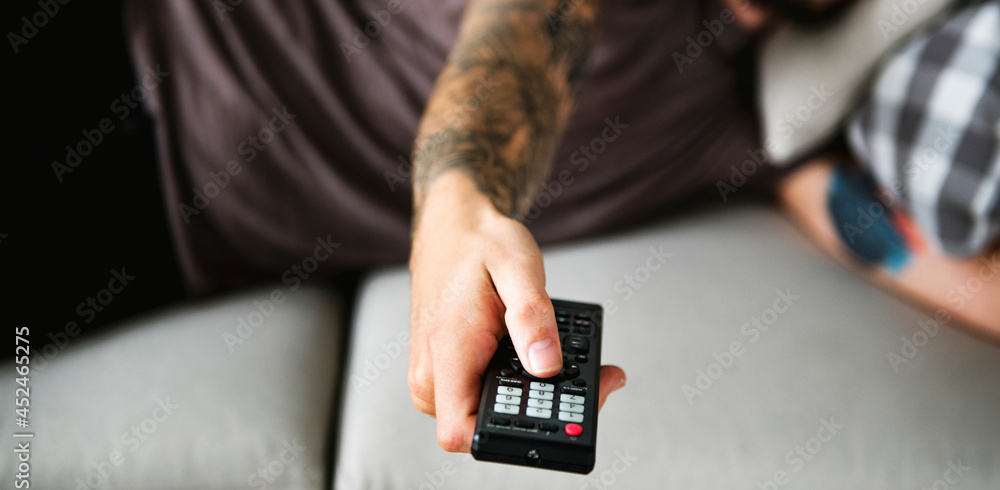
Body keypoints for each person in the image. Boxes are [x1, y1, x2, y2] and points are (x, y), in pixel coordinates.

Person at [125, 0, 997, 457]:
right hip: (131, 56)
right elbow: (522, 46)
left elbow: (889, 242)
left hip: (173, 241)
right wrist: (461, 205)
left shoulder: (752, 131)